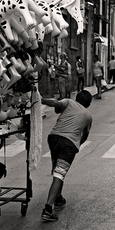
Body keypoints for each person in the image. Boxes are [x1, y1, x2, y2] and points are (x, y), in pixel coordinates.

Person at [40, 90, 93, 222]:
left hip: (54, 138)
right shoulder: (88, 116)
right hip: (68, 144)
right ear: (89, 103)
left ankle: (58, 198)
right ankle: (47, 209)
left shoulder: (69, 102)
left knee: (57, 170)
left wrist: (41, 100)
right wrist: (77, 144)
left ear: (76, 98)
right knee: (60, 173)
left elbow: (56, 103)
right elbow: (85, 135)